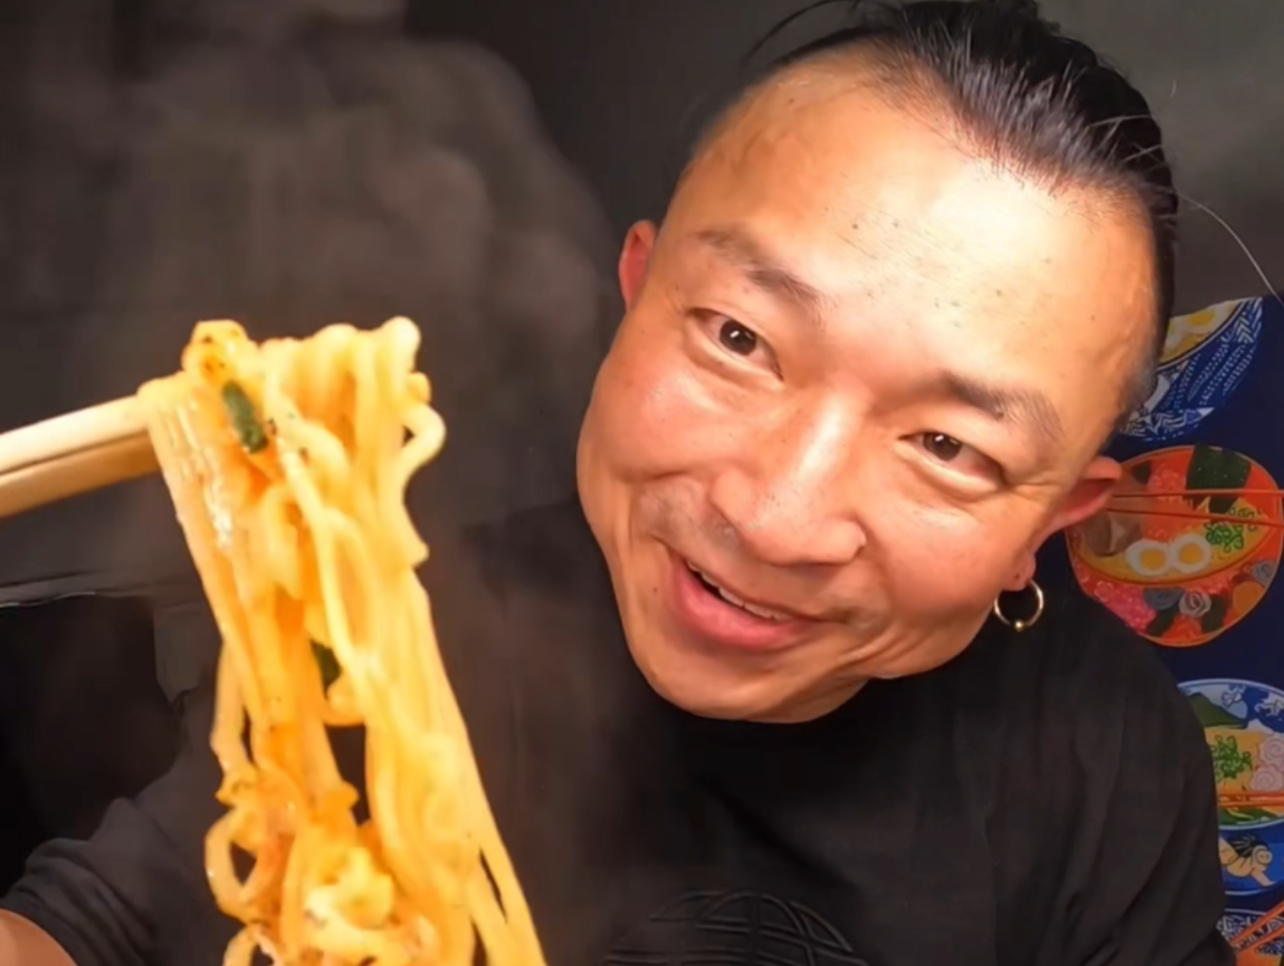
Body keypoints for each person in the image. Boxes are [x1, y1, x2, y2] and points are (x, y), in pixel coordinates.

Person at [0, 1, 1234, 964]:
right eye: (739, 338)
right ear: (635, 294)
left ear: (1050, 520)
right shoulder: (408, 632)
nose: (777, 518)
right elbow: (93, 929)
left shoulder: (1101, 751)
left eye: (951, 447)